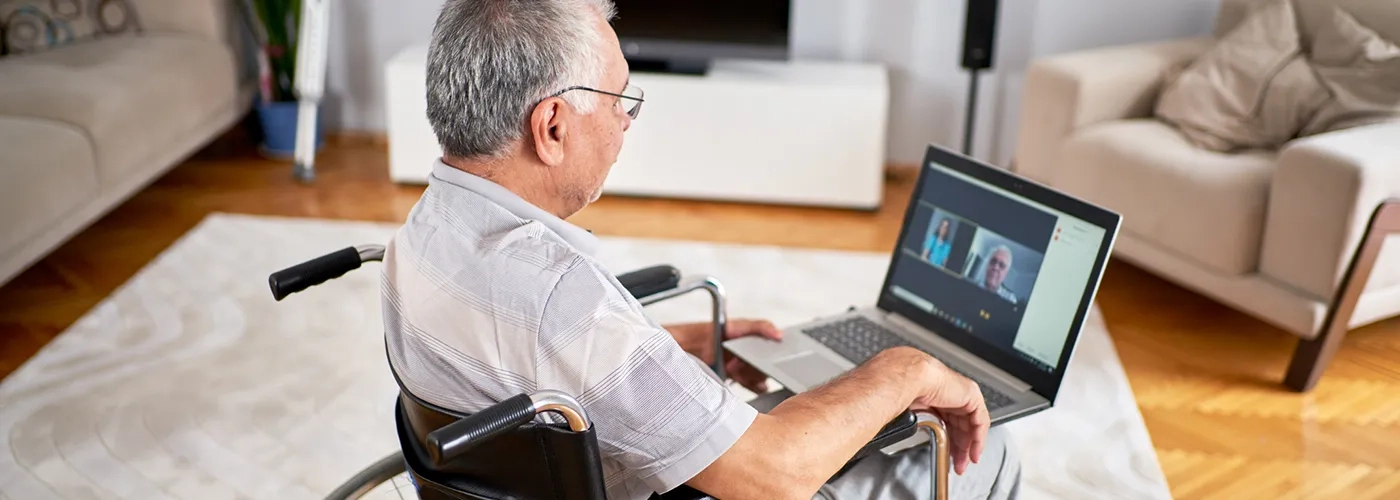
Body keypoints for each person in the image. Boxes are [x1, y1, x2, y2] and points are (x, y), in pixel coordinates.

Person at [381, 1, 1020, 498]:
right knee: (987, 457)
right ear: (551, 127)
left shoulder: (420, 232)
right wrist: (907, 369)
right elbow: (771, 478)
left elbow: (519, 353)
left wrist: (658, 352)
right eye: (619, 100)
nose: (626, 120)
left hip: (548, 474)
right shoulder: (561, 296)